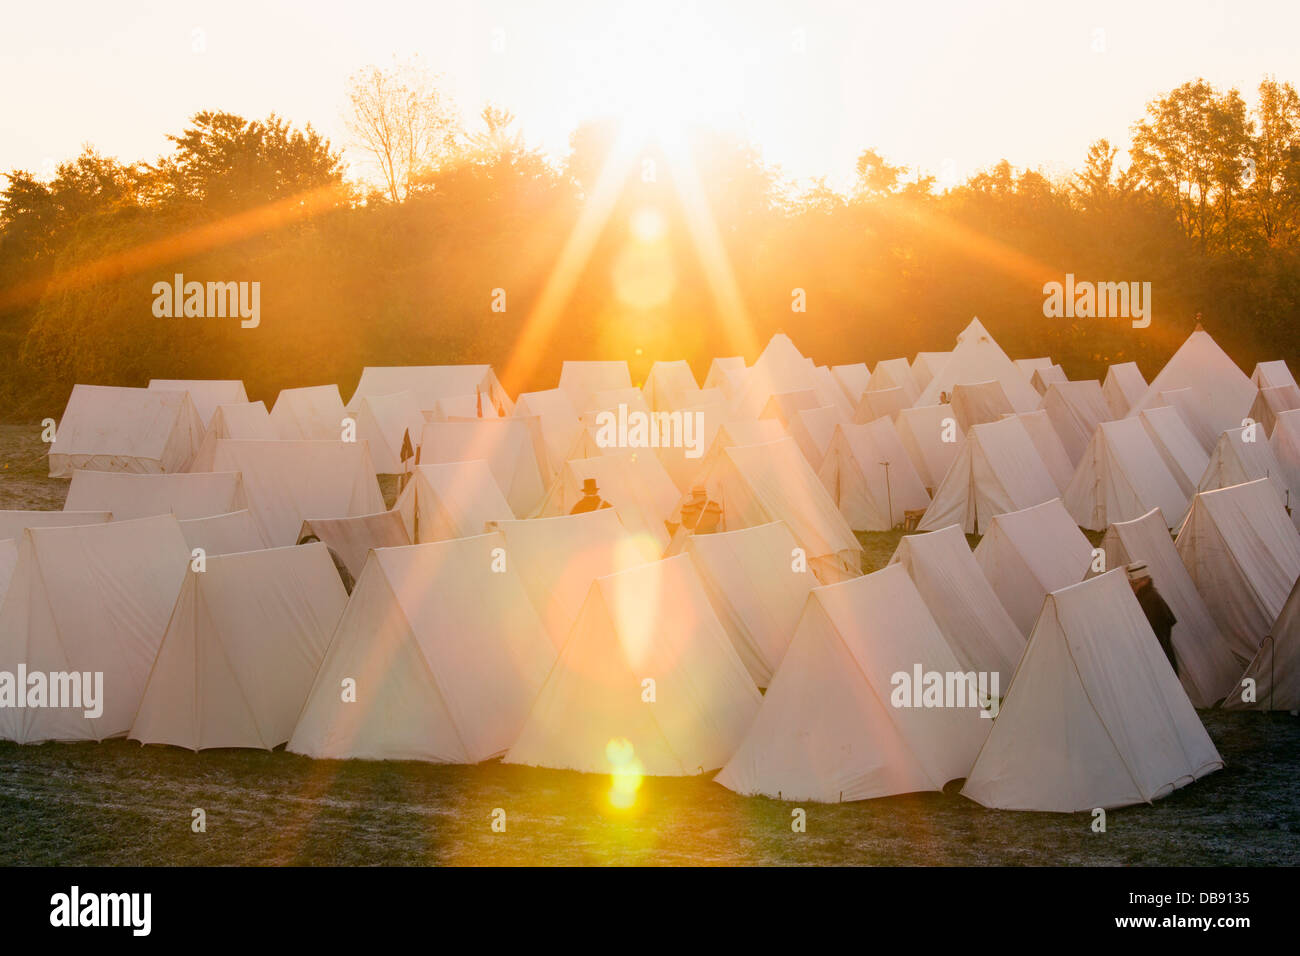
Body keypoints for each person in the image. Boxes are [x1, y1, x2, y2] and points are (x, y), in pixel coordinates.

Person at [1128, 561, 1177, 674]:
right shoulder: (1145, 598)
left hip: (1162, 658)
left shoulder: (1152, 600)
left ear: (1145, 581)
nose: (1132, 587)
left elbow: (1157, 636)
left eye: (1135, 583)